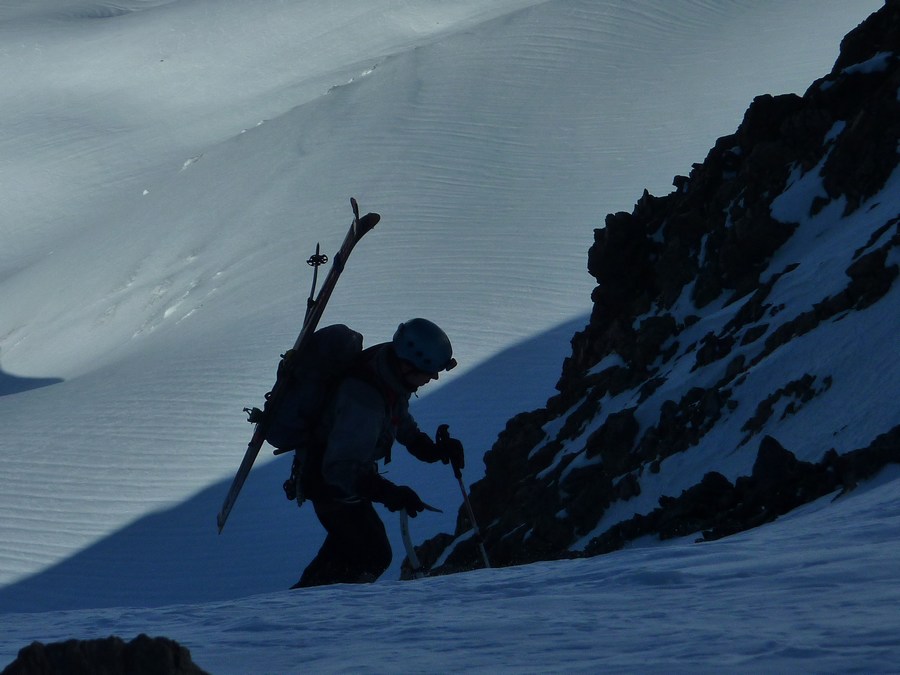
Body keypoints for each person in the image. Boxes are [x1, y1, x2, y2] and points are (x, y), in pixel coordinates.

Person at [292, 318, 464, 588]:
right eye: (428, 372)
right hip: (329, 484)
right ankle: (312, 608)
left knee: (349, 551)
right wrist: (389, 492)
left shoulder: (388, 371)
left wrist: (430, 450)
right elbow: (340, 469)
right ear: (409, 363)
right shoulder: (364, 400)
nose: (432, 378)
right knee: (371, 555)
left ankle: (301, 603)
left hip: (342, 481)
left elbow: (398, 418)